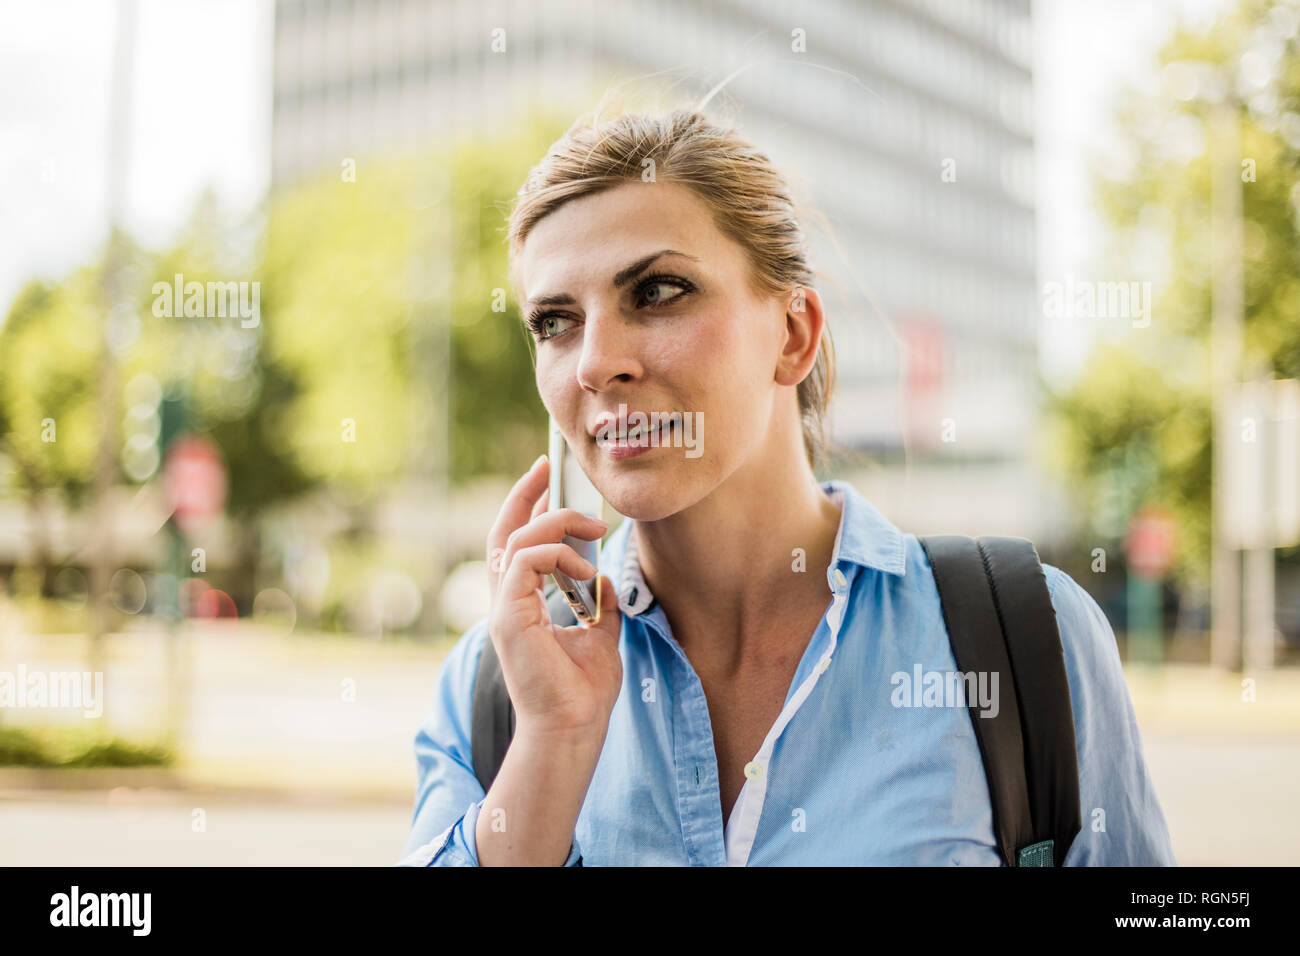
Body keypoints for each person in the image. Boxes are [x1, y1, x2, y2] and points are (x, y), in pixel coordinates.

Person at [398, 106, 1176, 866]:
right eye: (555, 322)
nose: (596, 363)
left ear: (794, 333)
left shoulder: (1025, 636)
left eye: (658, 292)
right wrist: (551, 749)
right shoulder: (499, 684)